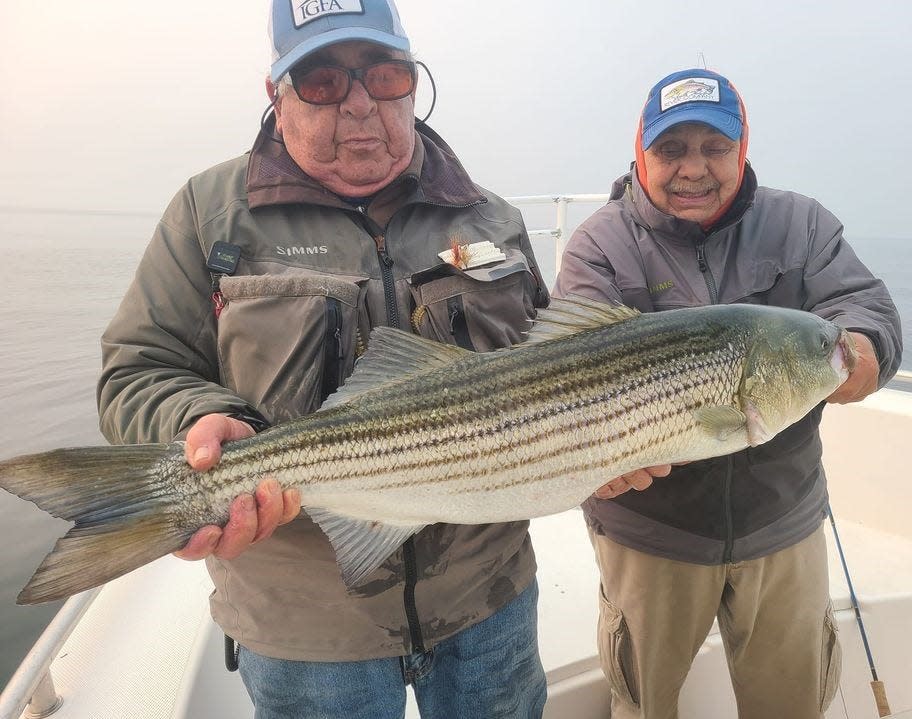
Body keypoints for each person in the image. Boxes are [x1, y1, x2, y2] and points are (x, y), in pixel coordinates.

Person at [96, 1, 551, 717]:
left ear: (412, 80)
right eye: (322, 82)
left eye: (385, 74)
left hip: (486, 602)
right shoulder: (208, 214)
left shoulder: (490, 218)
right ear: (275, 95)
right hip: (305, 628)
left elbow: (553, 372)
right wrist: (200, 417)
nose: (363, 105)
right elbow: (135, 368)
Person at [552, 68, 902, 719]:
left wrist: (860, 350)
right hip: (649, 532)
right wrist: (593, 460)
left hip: (783, 518)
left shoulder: (799, 224)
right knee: (644, 703)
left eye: (714, 147)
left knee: (791, 703)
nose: (694, 168)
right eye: (671, 149)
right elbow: (570, 369)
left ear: (742, 149)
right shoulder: (601, 245)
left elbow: (866, 307)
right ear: (640, 152)